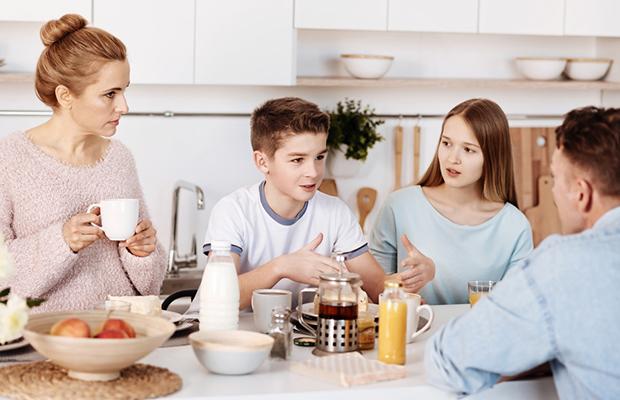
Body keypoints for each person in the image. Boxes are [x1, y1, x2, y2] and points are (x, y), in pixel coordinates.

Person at [425, 106, 620, 399]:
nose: (552, 191)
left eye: (555, 178)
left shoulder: (563, 265)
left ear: (582, 194)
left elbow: (448, 362)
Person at [0, 14, 166, 312]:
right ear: (65, 96)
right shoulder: (10, 157)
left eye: (125, 90)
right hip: (42, 339)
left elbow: (149, 286)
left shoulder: (119, 158)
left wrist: (144, 252)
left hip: (119, 332)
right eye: (110, 94)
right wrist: (61, 241)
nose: (124, 106)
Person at [197, 97, 386, 309]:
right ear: (262, 162)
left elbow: (377, 286)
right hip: (232, 335)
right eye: (297, 160)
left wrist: (408, 284)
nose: (313, 172)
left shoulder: (335, 212)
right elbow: (219, 297)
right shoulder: (233, 211)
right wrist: (282, 266)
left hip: (297, 337)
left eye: (319, 157)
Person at [369, 98, 532, 304]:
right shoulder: (399, 206)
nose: (452, 158)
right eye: (446, 143)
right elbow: (371, 295)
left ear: (492, 157)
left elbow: (518, 308)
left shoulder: (514, 226)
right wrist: (407, 283)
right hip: (413, 336)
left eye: (468, 149)